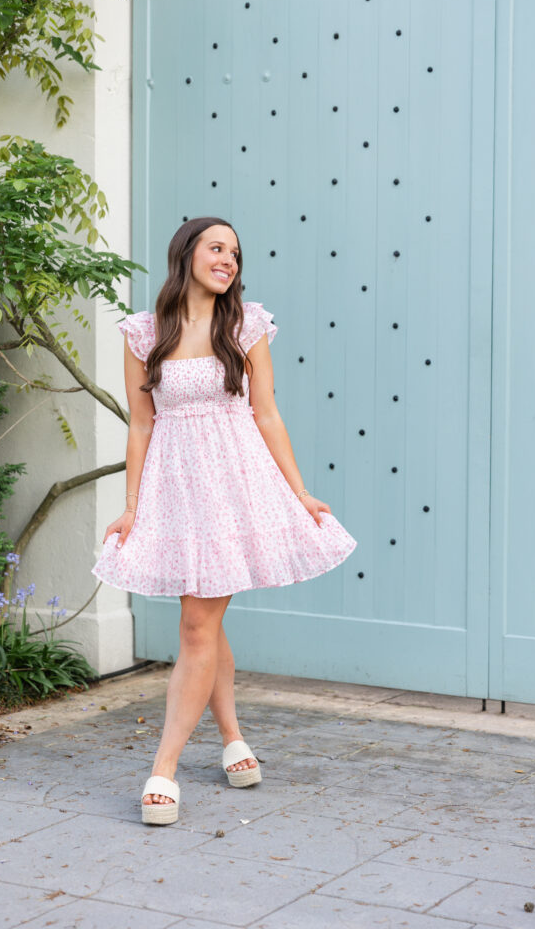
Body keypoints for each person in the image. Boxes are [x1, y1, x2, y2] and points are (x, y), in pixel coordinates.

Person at [91, 217, 357, 825]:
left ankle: (163, 768)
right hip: (176, 489)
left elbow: (266, 414)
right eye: (217, 248)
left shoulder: (245, 324)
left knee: (195, 626)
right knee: (203, 622)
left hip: (235, 487)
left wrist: (300, 491)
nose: (229, 260)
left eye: (236, 253)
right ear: (186, 254)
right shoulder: (143, 333)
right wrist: (133, 506)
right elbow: (140, 424)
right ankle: (234, 740)